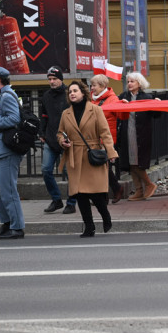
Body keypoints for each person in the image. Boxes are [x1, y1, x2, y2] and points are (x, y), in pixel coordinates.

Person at [58, 80, 118, 237]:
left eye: (75, 91)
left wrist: (111, 153)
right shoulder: (66, 113)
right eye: (70, 92)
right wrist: (62, 141)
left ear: (83, 93)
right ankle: (89, 227)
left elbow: (105, 133)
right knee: (80, 194)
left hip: (92, 155)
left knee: (95, 193)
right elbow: (60, 133)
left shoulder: (95, 110)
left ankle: (105, 216)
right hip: (75, 157)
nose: (72, 93)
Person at [0, 66, 26, 239]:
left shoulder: (7, 96)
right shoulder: (1, 95)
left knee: (8, 189)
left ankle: (17, 227)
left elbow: (14, 119)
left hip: (7, 150)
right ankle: (7, 222)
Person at [117, 72, 160, 199]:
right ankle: (139, 190)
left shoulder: (147, 97)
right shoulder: (123, 96)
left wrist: (157, 105)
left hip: (141, 134)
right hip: (127, 133)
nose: (129, 84)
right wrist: (121, 104)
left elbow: (156, 115)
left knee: (137, 162)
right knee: (130, 162)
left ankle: (149, 184)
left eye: (132, 81)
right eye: (128, 82)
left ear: (139, 83)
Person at [40, 66, 70, 214]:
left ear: (61, 79)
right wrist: (42, 132)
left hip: (67, 140)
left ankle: (72, 202)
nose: (52, 81)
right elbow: (44, 115)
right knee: (46, 170)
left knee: (69, 173)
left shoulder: (69, 93)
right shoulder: (46, 96)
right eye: (49, 79)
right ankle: (56, 199)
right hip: (50, 139)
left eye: (55, 79)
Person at [90, 73, 123, 204]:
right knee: (102, 168)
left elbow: (121, 116)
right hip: (93, 139)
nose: (92, 88)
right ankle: (116, 189)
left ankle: (106, 195)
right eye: (91, 85)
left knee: (103, 168)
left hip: (106, 139)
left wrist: (123, 106)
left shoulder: (113, 99)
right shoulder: (92, 99)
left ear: (103, 86)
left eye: (94, 85)